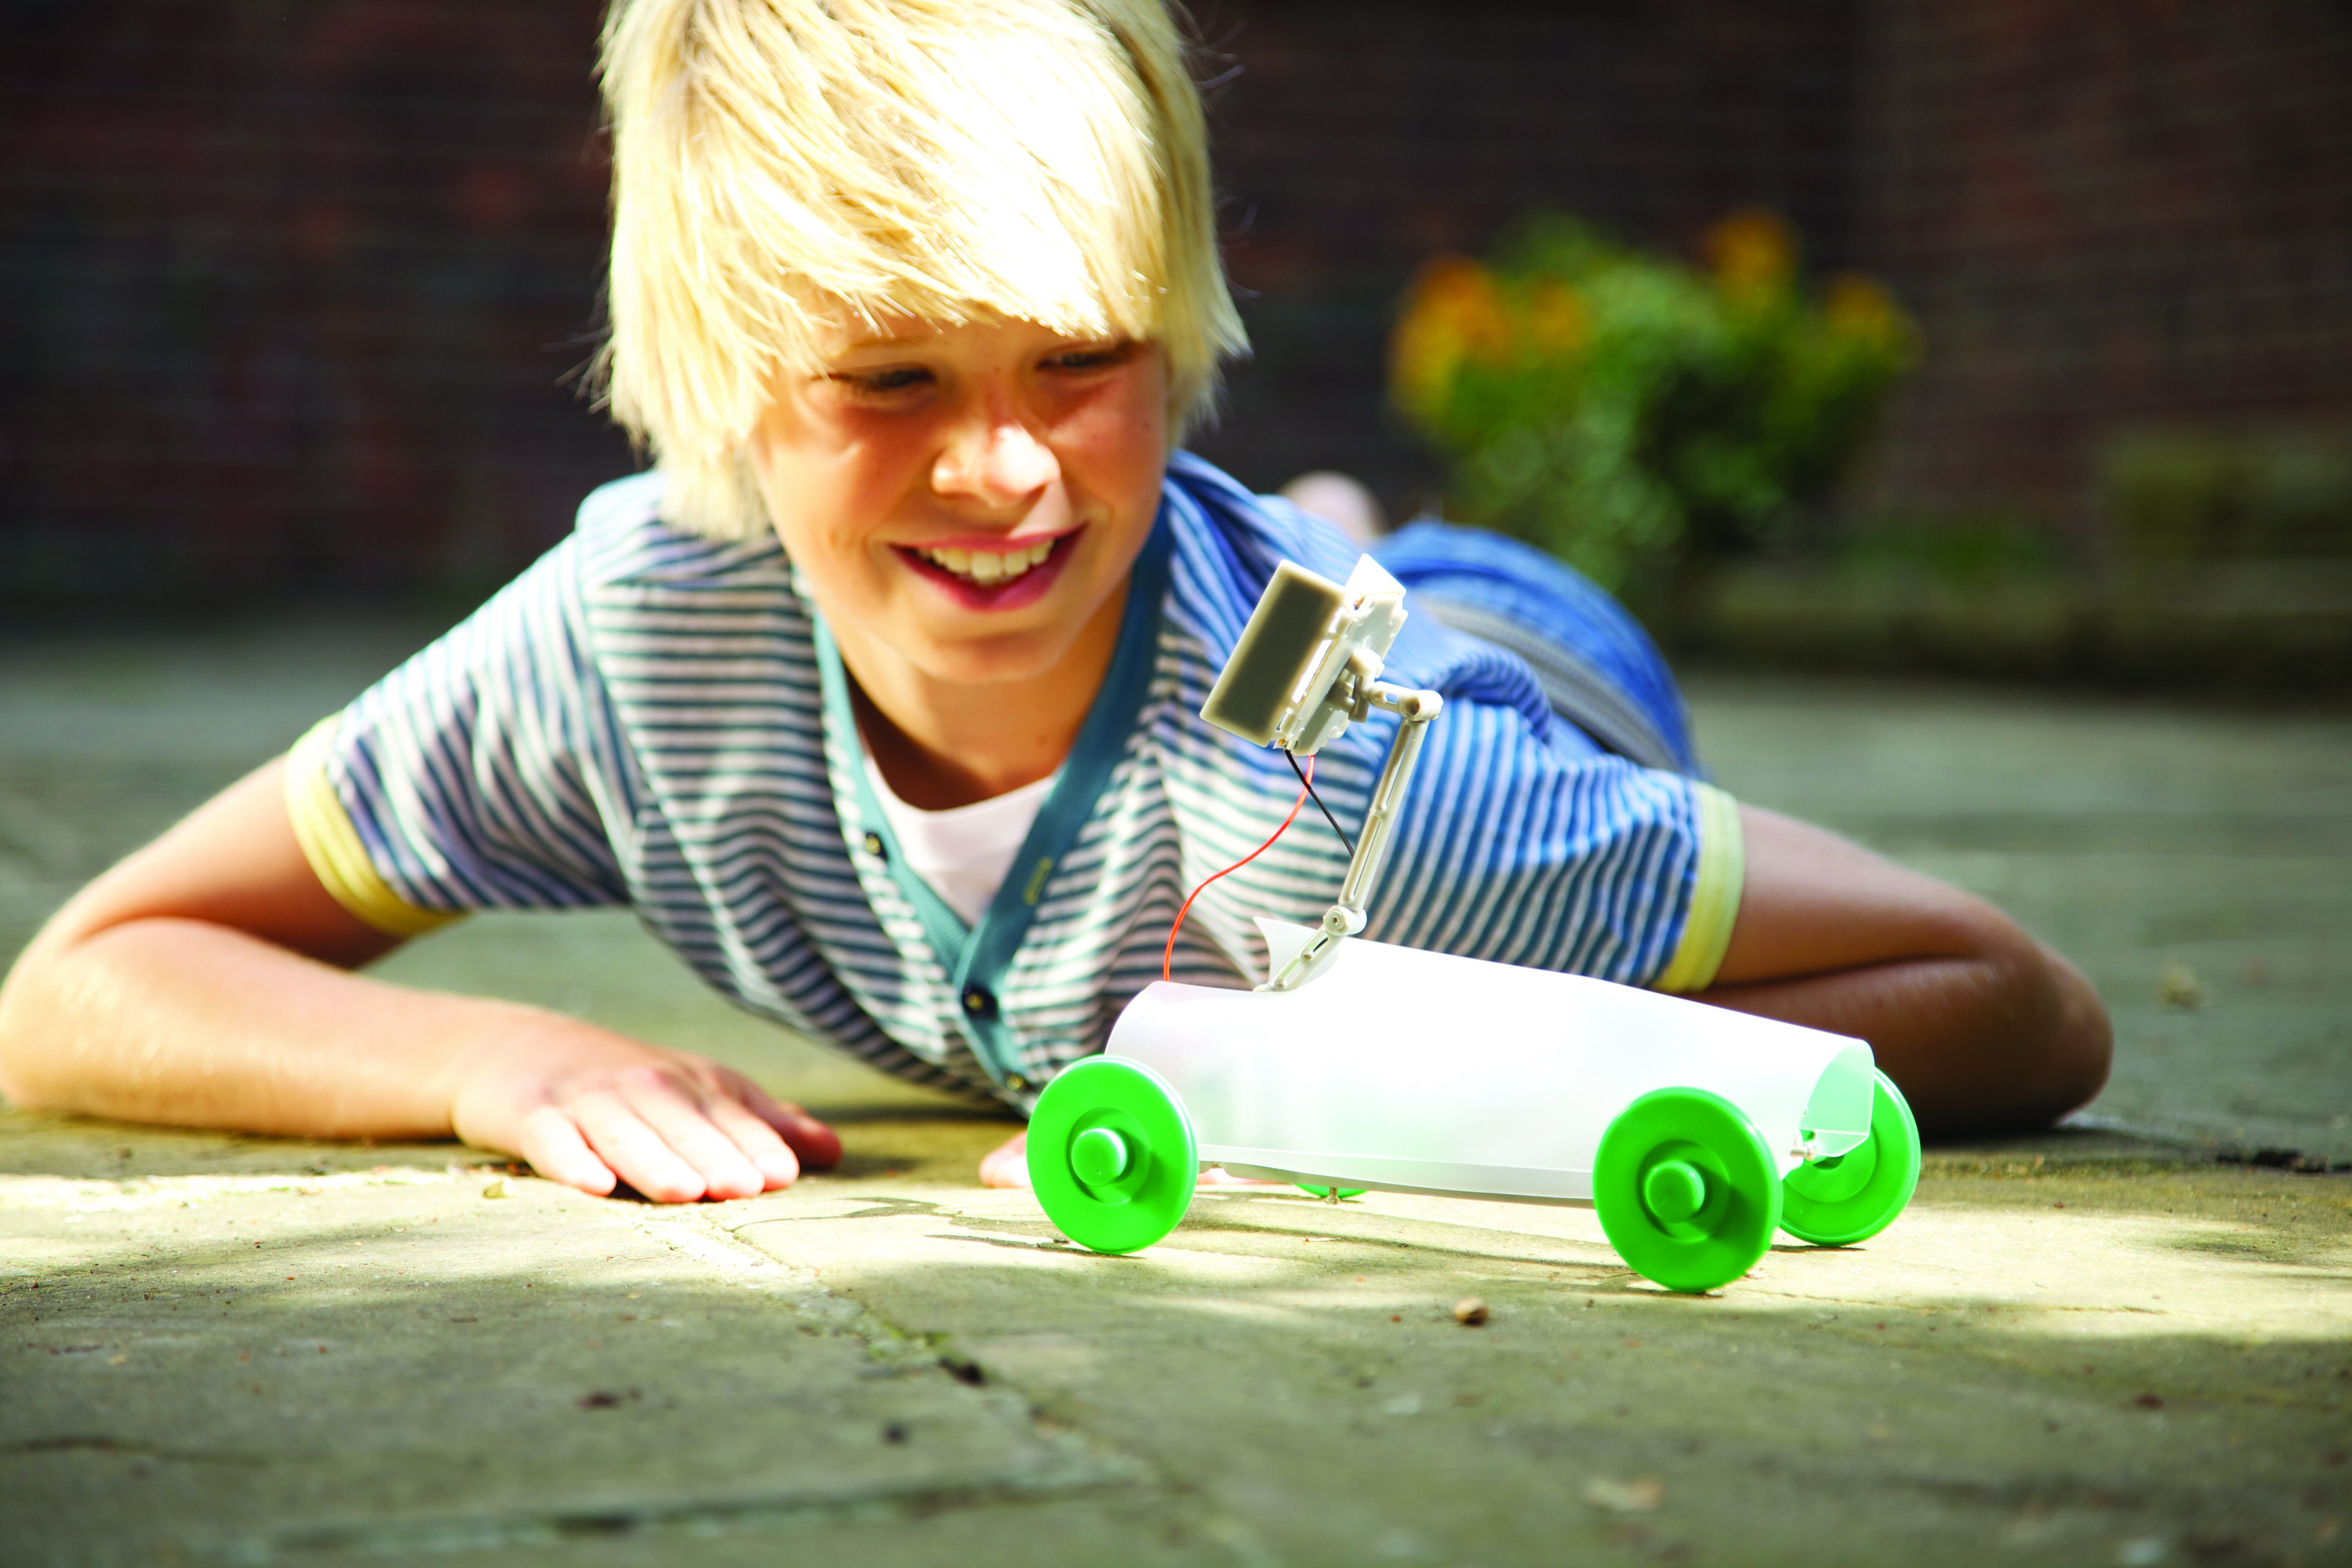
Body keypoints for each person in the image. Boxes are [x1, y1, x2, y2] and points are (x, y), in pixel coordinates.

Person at [0, 0, 2110, 1204]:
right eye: (892, 381)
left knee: (1363, 596)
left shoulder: (1391, 815)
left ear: (1176, 330)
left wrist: (1368, 1100)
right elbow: (80, 981)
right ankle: (1278, 512)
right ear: (723, 386)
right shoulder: (631, 645)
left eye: (1079, 361)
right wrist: (484, 1053)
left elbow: (2017, 999)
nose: (998, 463)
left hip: (1488, 647)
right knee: (1187, 541)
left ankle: (1321, 531)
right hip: (1210, 598)